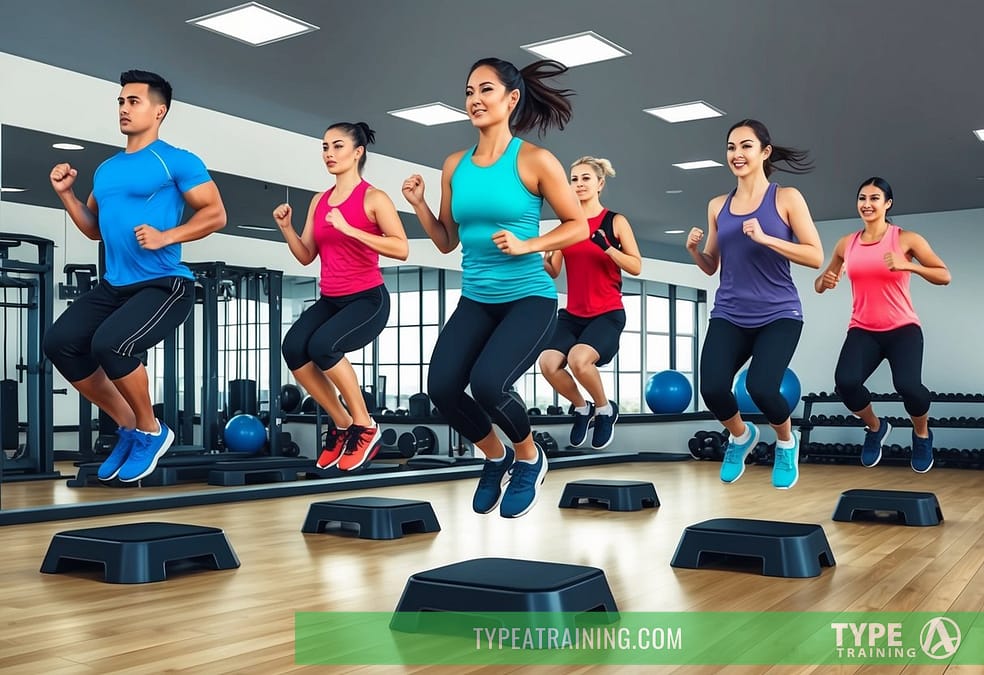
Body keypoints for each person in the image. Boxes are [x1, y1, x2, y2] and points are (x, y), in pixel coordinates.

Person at [402, 57, 588, 518]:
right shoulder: (454, 165)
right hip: (477, 298)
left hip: (529, 297)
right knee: (442, 387)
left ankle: (529, 456)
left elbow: (578, 226)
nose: (475, 100)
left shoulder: (534, 160)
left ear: (511, 99)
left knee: (488, 383)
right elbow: (447, 241)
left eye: (485, 90)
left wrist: (531, 243)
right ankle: (495, 455)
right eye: (468, 92)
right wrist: (420, 205)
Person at [44, 69, 226, 482]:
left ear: (159, 111)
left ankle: (152, 429)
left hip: (164, 283)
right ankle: (129, 425)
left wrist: (167, 236)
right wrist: (66, 195)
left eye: (134, 101)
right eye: (121, 102)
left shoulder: (176, 160)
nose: (124, 109)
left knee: (112, 344)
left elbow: (216, 214)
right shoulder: (107, 169)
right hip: (115, 285)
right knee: (60, 343)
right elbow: (93, 227)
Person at [686, 119, 823, 490]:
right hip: (730, 311)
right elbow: (713, 264)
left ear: (764, 152)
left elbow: (814, 255)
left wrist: (766, 238)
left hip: (779, 313)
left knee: (763, 387)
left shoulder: (786, 197)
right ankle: (741, 436)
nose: (737, 154)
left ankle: (785, 441)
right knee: (713, 388)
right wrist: (695, 252)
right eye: (731, 147)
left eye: (746, 146)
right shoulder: (718, 205)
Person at [274, 122, 408, 471]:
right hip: (331, 299)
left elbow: (401, 248)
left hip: (368, 299)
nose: (329, 154)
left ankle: (365, 425)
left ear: (357, 152)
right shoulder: (319, 201)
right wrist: (286, 228)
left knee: (322, 346)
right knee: (293, 347)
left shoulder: (373, 197)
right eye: (324, 147)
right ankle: (342, 422)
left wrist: (350, 229)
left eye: (337, 147)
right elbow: (306, 255)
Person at [815, 177, 950, 473]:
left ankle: (922, 433)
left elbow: (944, 275)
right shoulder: (845, 244)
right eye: (862, 198)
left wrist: (908, 265)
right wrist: (824, 282)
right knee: (846, 383)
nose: (867, 204)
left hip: (902, 328)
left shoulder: (906, 239)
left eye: (875, 198)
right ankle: (876, 428)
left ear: (887, 203)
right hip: (863, 328)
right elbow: (821, 282)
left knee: (908, 386)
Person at [539, 156, 641, 450]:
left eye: (585, 178)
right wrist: (540, 257)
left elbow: (636, 266)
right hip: (573, 314)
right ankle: (582, 408)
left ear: (600, 183)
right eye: (574, 179)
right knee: (547, 364)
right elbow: (555, 269)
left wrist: (608, 248)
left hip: (607, 313)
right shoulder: (567, 225)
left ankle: (605, 409)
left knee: (578, 360)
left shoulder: (615, 221)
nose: (579, 184)